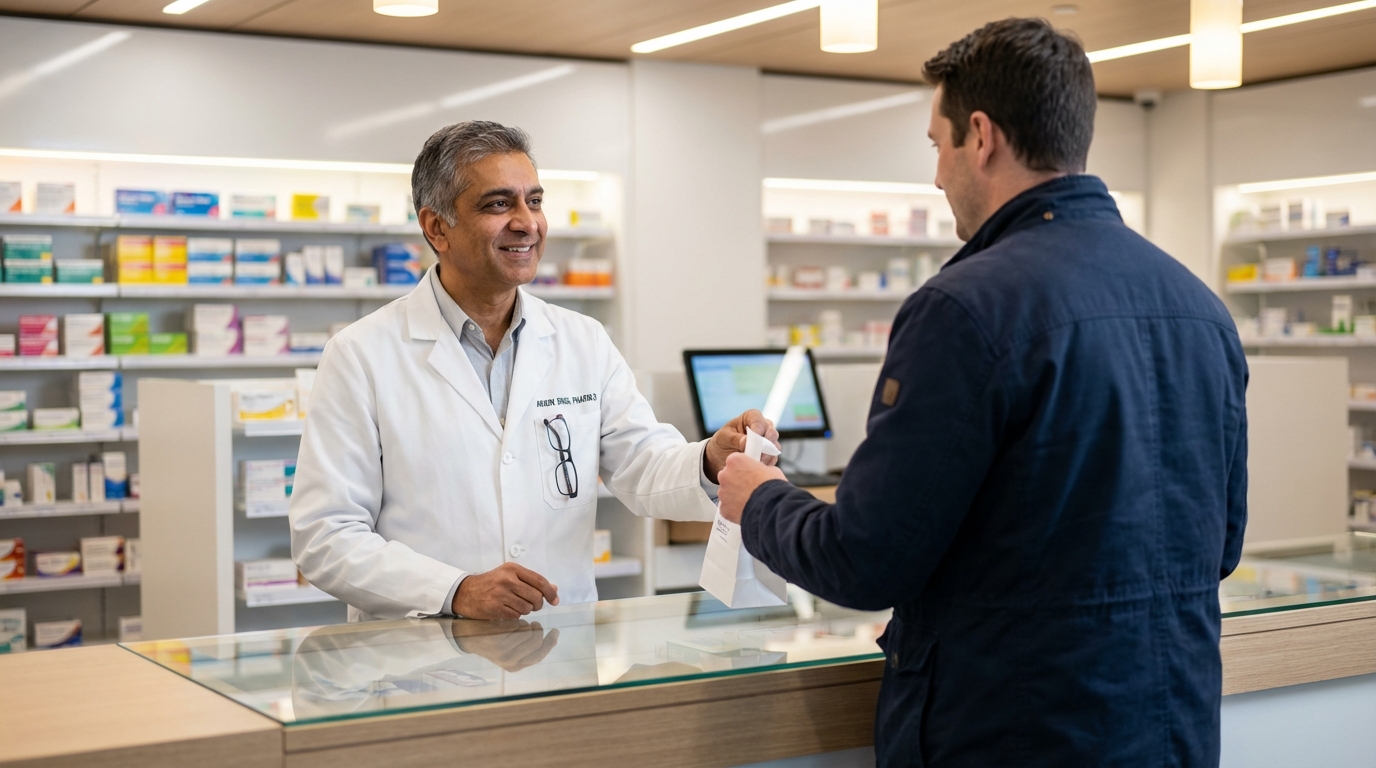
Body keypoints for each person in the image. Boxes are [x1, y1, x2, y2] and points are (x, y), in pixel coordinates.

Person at [717, 18, 1247, 767]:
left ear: (981, 135)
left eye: (937, 147)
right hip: (1171, 726)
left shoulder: (966, 308)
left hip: (1012, 731)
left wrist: (760, 498)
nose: (937, 177)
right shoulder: (1199, 306)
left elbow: (866, 561)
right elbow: (1218, 545)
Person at [291, 120, 778, 622]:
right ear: (436, 227)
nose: (527, 223)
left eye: (535, 201)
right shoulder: (361, 354)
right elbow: (325, 536)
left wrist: (709, 460)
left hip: (558, 645)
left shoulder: (581, 340)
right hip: (423, 663)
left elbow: (642, 464)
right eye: (498, 204)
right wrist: (453, 590)